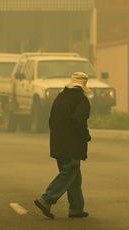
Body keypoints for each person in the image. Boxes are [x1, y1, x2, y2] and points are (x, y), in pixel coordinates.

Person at [34, 72, 91, 219]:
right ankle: (46, 199)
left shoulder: (60, 97)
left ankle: (76, 208)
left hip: (57, 142)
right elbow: (79, 121)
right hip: (72, 144)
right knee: (69, 171)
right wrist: (86, 136)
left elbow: (51, 120)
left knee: (74, 175)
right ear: (83, 86)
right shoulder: (82, 100)